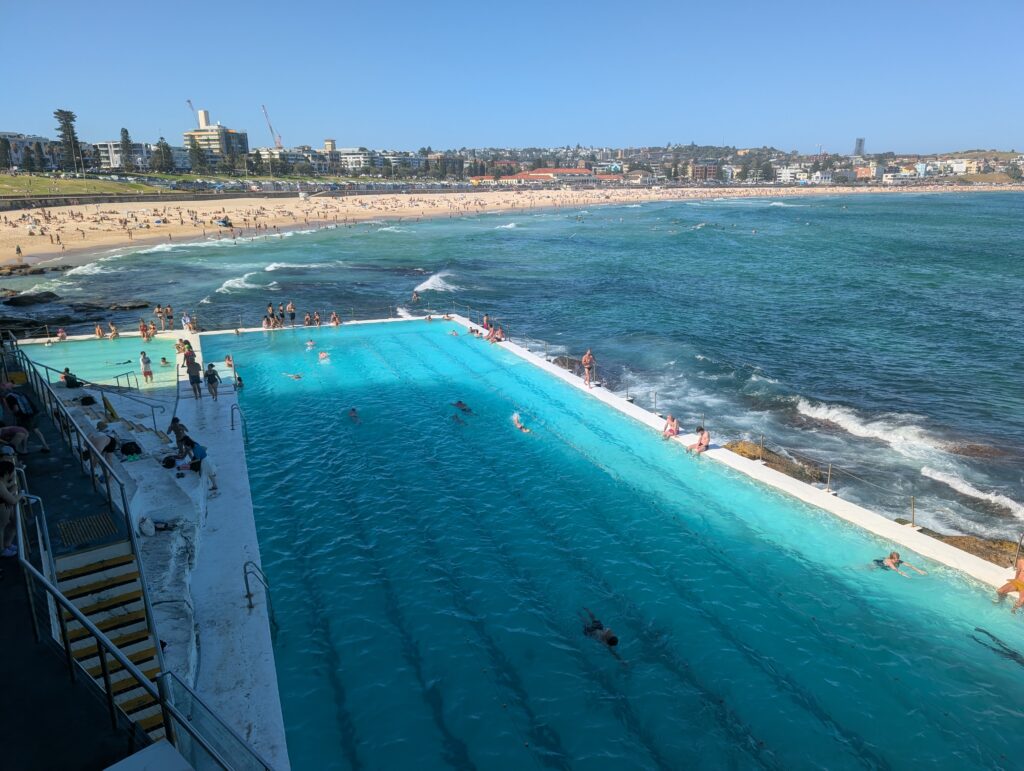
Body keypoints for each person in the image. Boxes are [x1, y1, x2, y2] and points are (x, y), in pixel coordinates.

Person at [2, 388, 49, 452]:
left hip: (25, 417)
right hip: (34, 413)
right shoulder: (18, 393)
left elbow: (16, 409)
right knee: (36, 430)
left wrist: (10, 410)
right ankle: (45, 446)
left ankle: (24, 450)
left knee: (23, 432)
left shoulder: (9, 398)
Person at [0, 460, 21, 559]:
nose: (13, 473)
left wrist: (14, 486)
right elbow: (12, 501)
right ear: (7, 473)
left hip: (4, 509)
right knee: (1, 529)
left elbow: (9, 486)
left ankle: (7, 544)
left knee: (12, 523)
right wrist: (21, 495)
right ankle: (2, 551)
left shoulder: (2, 481)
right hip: (2, 510)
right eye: (13, 472)